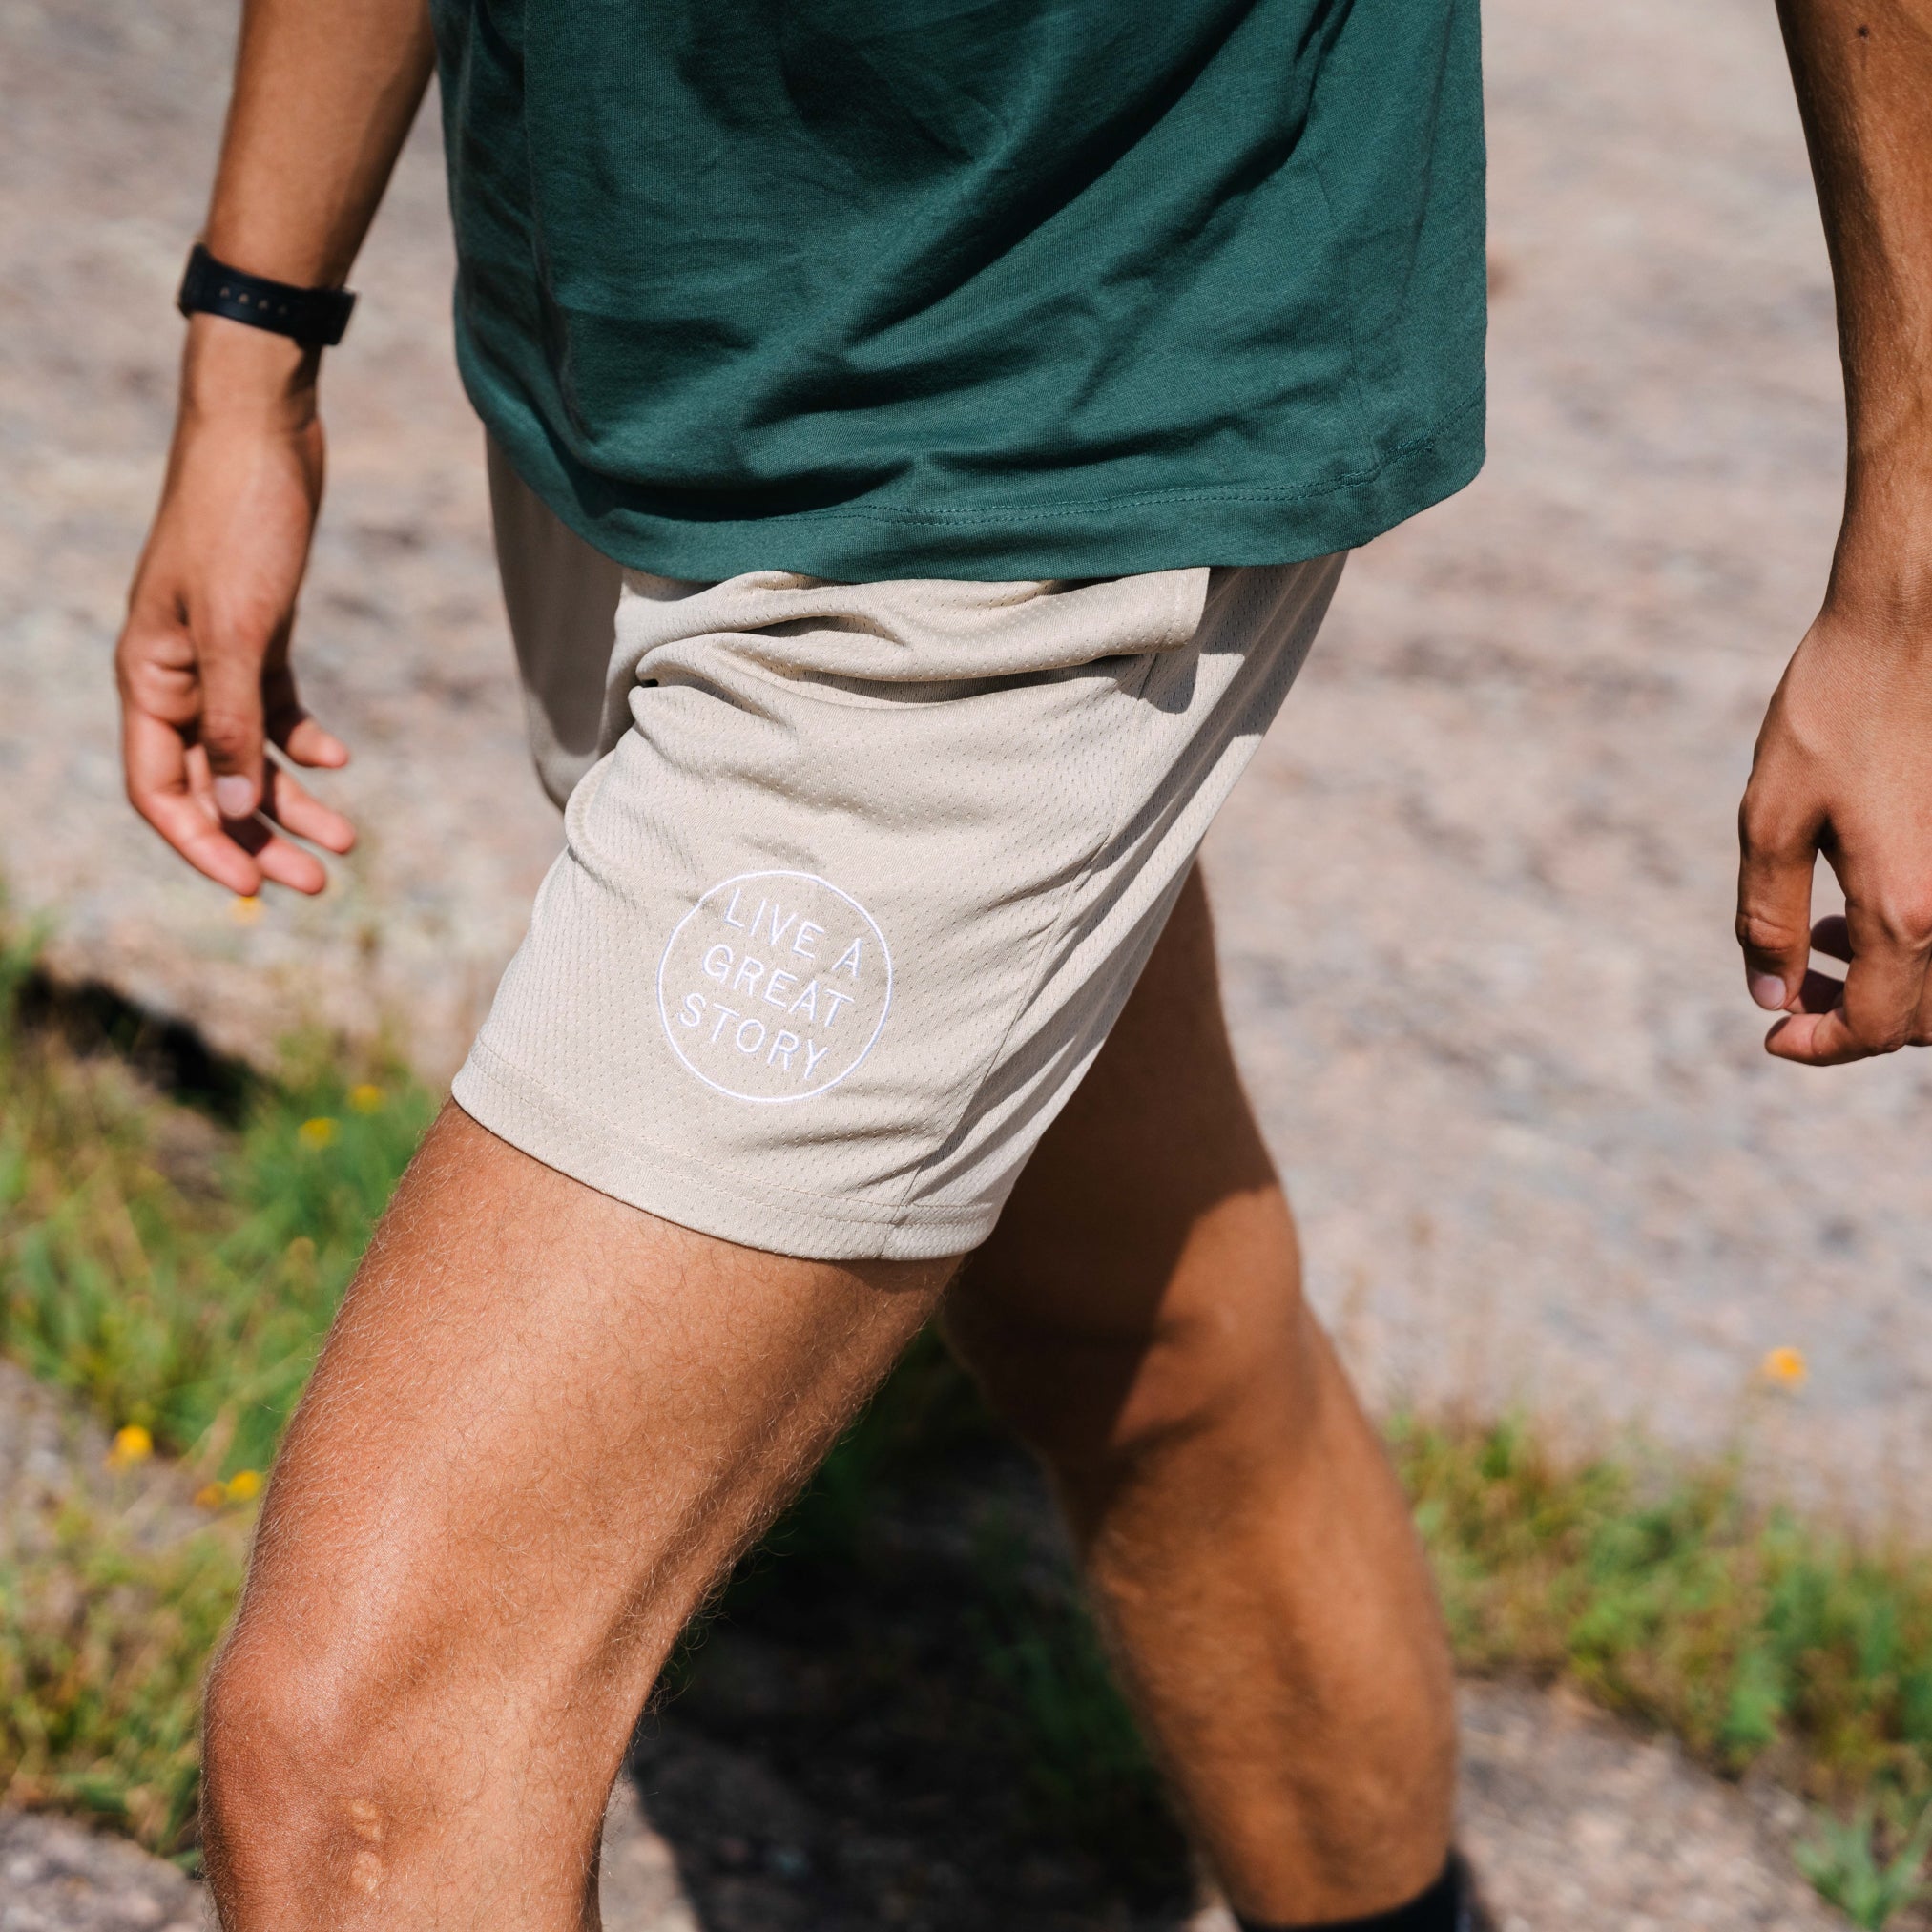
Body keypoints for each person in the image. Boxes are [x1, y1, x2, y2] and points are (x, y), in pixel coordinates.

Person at [112, 0, 1931, 1922]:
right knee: (1137, 1322)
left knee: (363, 1765)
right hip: (633, 350)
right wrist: (254, 335)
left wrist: (1906, 563)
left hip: (1028, 410)